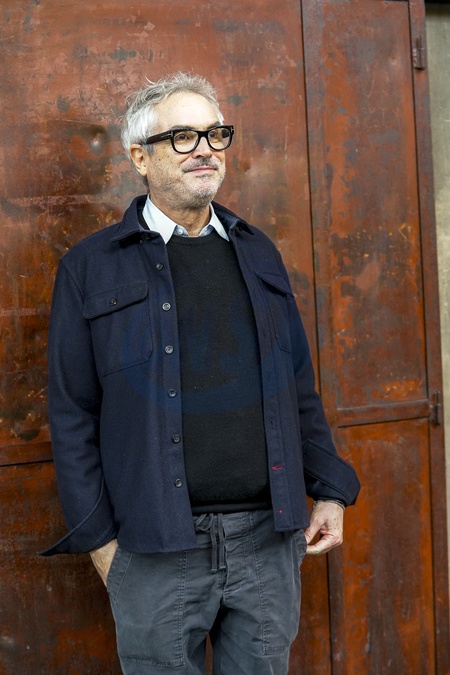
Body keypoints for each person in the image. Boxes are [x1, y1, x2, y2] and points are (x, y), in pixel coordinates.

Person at [42, 72, 360, 675]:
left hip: (267, 541)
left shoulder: (258, 251)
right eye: (183, 137)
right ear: (140, 157)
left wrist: (330, 489)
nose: (206, 149)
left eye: (215, 134)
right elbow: (72, 413)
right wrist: (101, 545)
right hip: (154, 547)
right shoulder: (89, 268)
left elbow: (295, 386)